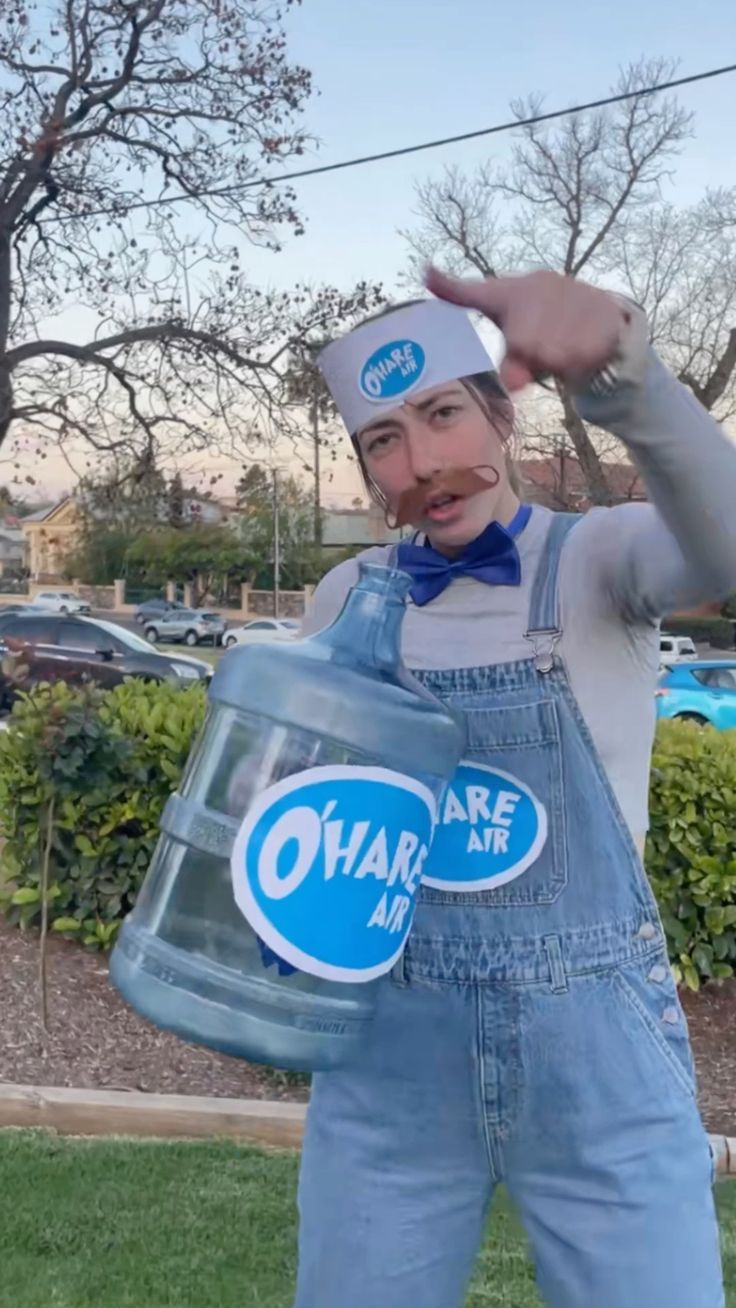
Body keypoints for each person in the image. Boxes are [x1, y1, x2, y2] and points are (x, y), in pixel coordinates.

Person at [294, 268, 735, 1308]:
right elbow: (307, 814)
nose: (424, 463)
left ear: (499, 414)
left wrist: (631, 382)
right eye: (383, 440)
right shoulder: (339, 602)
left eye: (444, 413)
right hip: (386, 1069)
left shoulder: (601, 560)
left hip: (600, 1070)